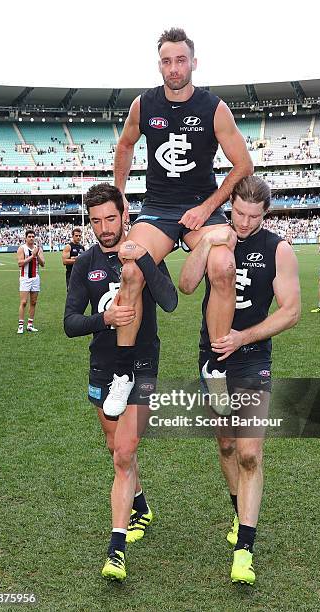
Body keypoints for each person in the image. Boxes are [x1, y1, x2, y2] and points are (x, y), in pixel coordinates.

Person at [107, 26, 253, 416]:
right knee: (131, 269)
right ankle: (123, 374)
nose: (174, 68)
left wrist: (207, 208)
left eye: (181, 60)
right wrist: (120, 197)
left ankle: (215, 367)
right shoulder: (143, 105)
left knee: (224, 265)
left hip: (199, 210)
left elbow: (244, 165)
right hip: (156, 209)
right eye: (167, 61)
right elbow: (125, 144)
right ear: (160, 65)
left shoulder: (214, 107)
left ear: (193, 62)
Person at [179, 176, 301, 586]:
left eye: (254, 216)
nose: (245, 223)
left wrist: (243, 337)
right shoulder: (216, 232)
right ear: (229, 202)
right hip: (212, 356)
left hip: (251, 357)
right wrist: (211, 239)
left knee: (249, 452)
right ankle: (238, 512)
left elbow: (291, 311)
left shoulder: (278, 249)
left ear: (266, 214)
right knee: (227, 443)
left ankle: (244, 548)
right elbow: (187, 284)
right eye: (239, 213)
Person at [64, 183, 178, 582]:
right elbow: (69, 323)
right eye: (96, 221)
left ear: (124, 214)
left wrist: (146, 261)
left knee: (125, 451)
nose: (104, 228)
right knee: (116, 448)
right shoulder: (85, 264)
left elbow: (170, 301)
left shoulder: (145, 251)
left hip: (143, 365)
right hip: (103, 367)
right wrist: (105, 320)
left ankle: (116, 549)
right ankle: (141, 506)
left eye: (110, 218)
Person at [16, 229, 45, 334]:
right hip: (25, 278)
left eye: (33, 236)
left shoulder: (38, 249)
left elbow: (43, 264)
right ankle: (20, 325)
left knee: (33, 302)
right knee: (23, 302)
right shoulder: (22, 248)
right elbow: (20, 263)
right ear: (26, 238)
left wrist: (37, 255)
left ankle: (30, 325)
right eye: (29, 236)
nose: (31, 238)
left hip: (35, 278)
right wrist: (32, 256)